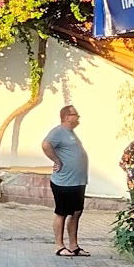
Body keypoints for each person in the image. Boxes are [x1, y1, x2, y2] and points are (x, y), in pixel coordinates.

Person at [42, 104, 90, 257]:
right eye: (76, 114)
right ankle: (59, 246)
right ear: (67, 117)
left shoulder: (71, 133)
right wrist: (56, 160)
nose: (78, 117)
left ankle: (74, 246)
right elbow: (45, 145)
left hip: (77, 181)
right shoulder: (58, 132)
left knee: (76, 213)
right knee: (61, 212)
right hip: (64, 182)